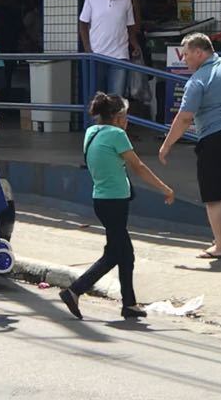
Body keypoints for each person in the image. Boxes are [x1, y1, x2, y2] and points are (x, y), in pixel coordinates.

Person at [58, 93, 175, 320]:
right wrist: (165, 188)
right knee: (114, 254)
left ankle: (129, 304)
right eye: (125, 116)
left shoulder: (92, 132)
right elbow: (138, 167)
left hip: (102, 199)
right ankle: (75, 290)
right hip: (114, 202)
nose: (127, 120)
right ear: (117, 117)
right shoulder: (116, 134)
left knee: (125, 254)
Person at [159, 33, 221, 259]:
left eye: (186, 55)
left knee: (214, 194)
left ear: (199, 53)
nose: (184, 60)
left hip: (216, 137)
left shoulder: (198, 80)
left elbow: (184, 118)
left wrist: (166, 145)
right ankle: (220, 238)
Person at [78, 0, 139, 97]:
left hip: (119, 56)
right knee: (97, 98)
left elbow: (130, 26)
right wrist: (88, 48)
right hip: (97, 54)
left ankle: (114, 119)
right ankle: (97, 119)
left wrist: (135, 45)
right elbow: (83, 24)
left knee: (116, 99)